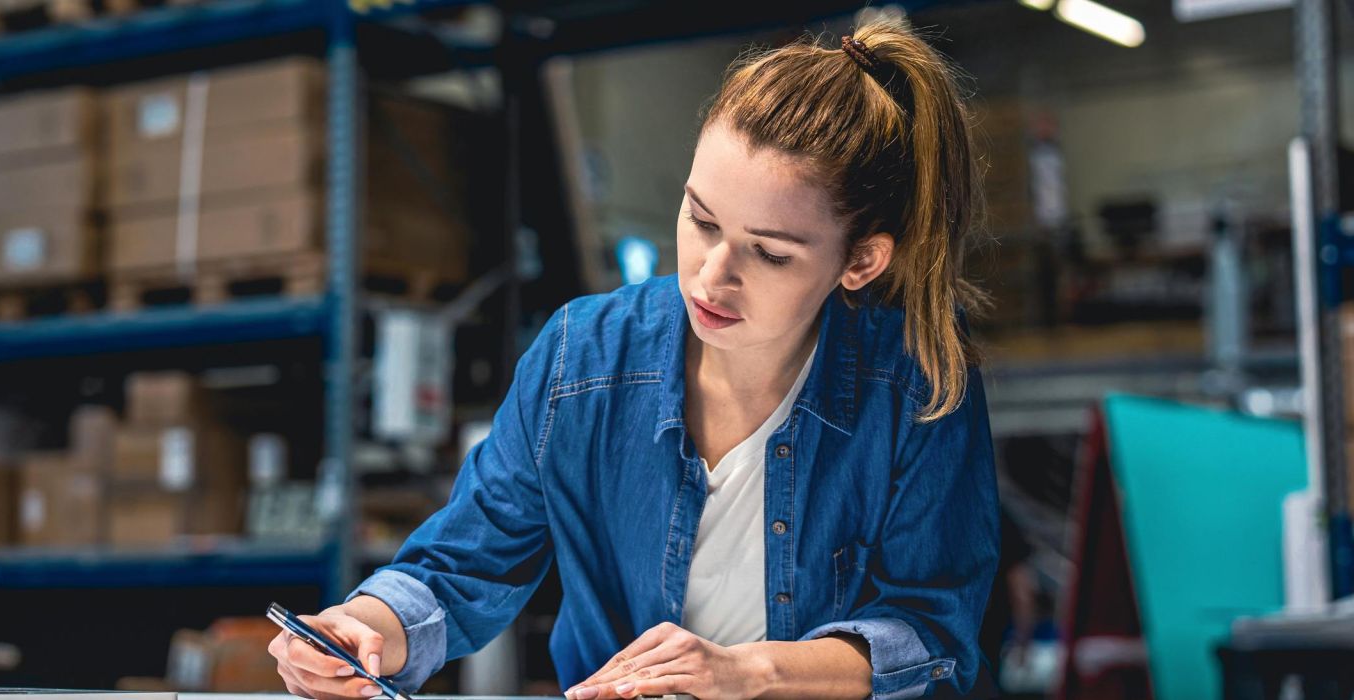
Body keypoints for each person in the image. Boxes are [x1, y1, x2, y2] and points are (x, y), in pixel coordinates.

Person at [269, 17, 999, 699]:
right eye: (701, 220)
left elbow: (931, 631)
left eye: (770, 253)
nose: (712, 275)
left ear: (861, 262)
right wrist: (362, 627)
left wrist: (747, 671)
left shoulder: (918, 380)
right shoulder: (581, 358)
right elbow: (463, 565)